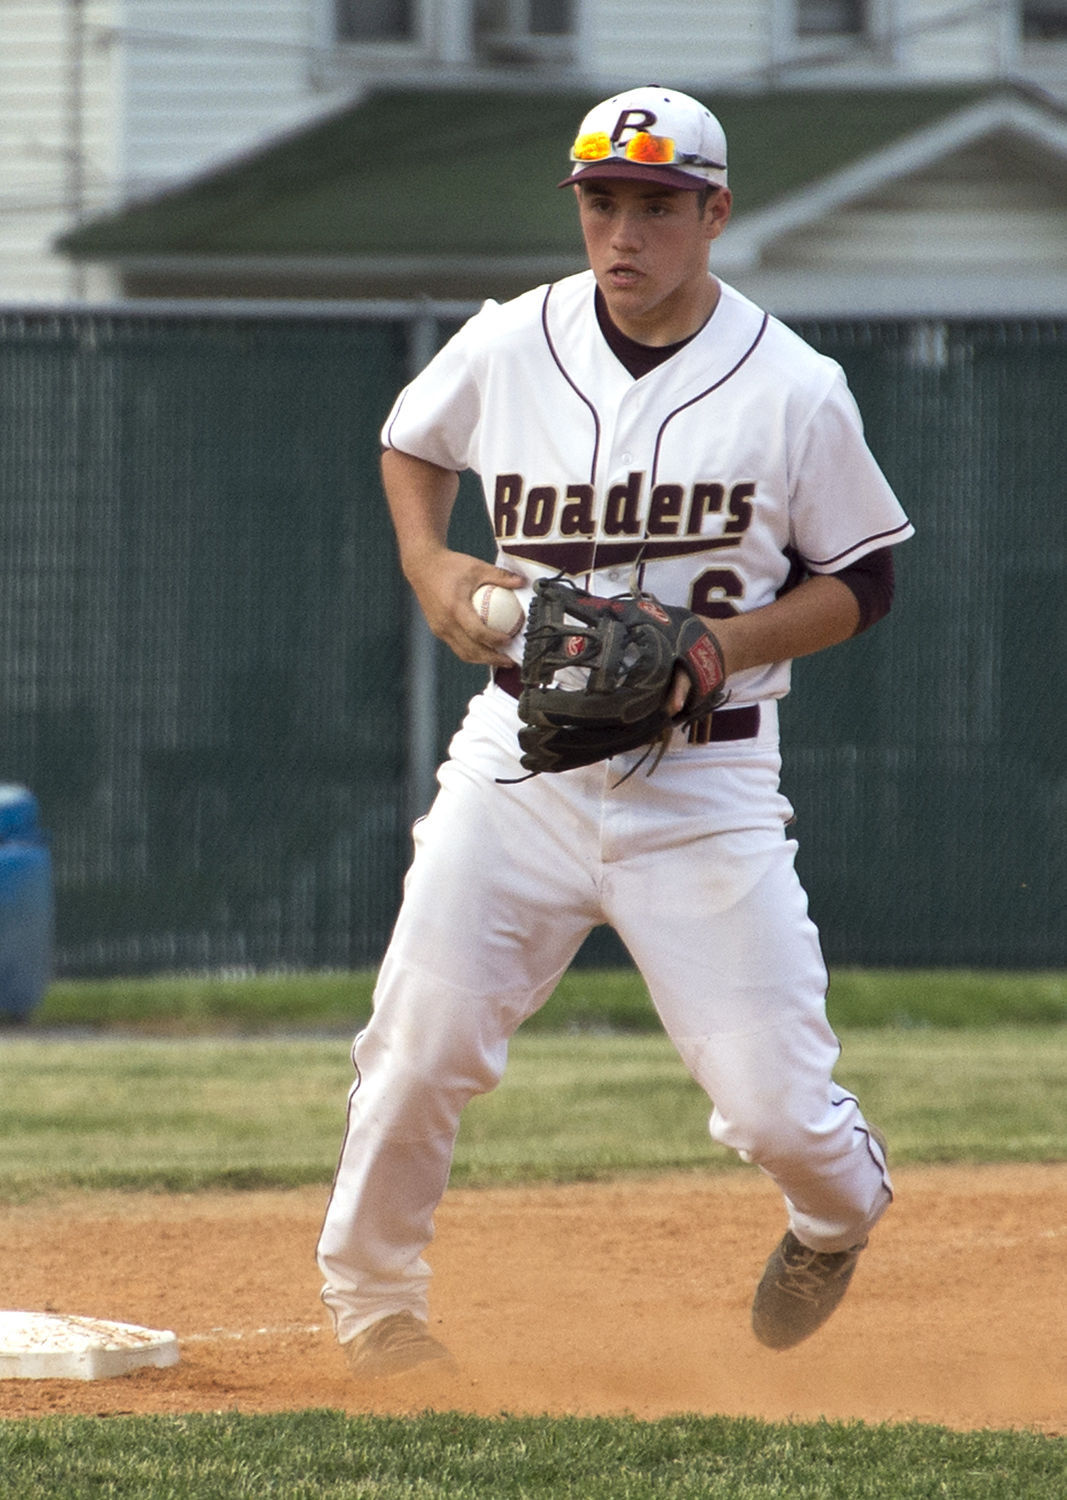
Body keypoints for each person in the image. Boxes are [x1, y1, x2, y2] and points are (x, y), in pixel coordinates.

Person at [317, 85, 911, 1378]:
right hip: (516, 767)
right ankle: (376, 1311)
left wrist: (722, 646)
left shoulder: (795, 386)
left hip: (704, 785)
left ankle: (835, 1216)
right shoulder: (508, 342)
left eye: (656, 204)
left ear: (715, 213)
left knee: (781, 1115)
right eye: (602, 201)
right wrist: (430, 566)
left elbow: (864, 581)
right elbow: (413, 443)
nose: (623, 230)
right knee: (418, 1050)